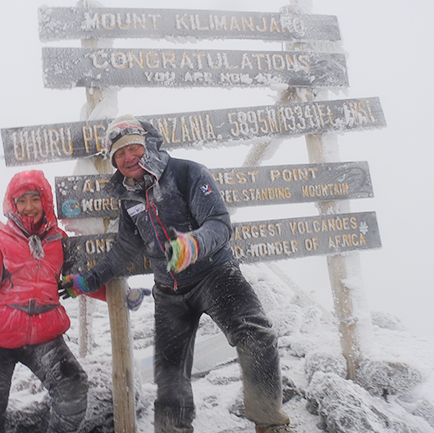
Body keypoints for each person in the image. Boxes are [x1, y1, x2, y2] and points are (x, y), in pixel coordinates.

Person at [59, 115, 294, 433]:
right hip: (169, 289)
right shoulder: (129, 197)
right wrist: (87, 280)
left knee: (256, 334)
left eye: (133, 148)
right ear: (113, 160)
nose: (128, 157)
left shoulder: (187, 173)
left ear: (148, 145)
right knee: (170, 374)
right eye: (119, 153)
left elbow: (219, 224)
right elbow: (124, 251)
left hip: (215, 273)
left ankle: (269, 422)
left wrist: (192, 244)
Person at [0, 170, 108, 433]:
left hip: (44, 337)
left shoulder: (58, 240)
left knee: (73, 390)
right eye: (21, 200)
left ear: (46, 201)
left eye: (35, 198)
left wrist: (119, 296)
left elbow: (82, 279)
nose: (29, 207)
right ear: (12, 204)